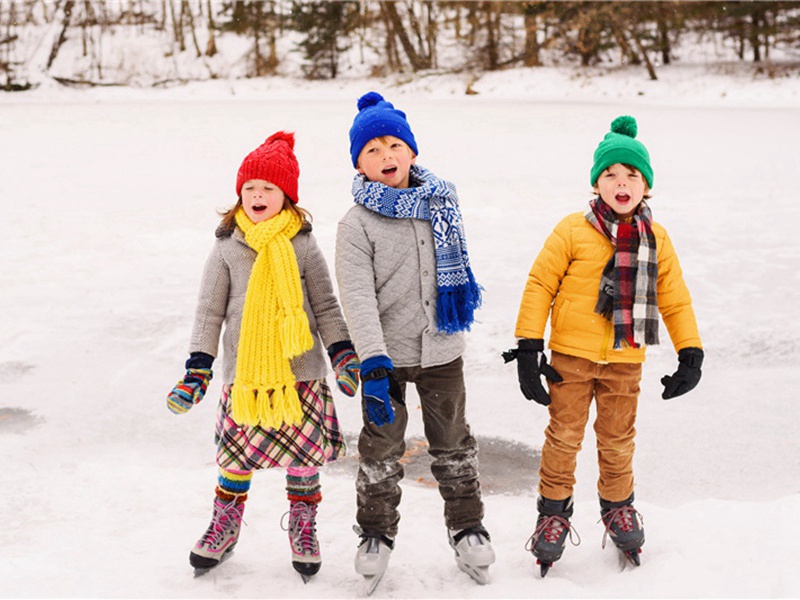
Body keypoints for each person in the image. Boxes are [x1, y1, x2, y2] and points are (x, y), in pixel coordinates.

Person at [505, 116, 703, 576]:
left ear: (646, 187)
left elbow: (674, 298)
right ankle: (553, 513)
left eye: (632, 175)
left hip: (625, 359)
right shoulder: (573, 230)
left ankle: (618, 506)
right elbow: (539, 285)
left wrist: (690, 352)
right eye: (611, 173)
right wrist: (529, 346)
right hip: (569, 360)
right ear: (596, 182)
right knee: (564, 437)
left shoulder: (657, 239)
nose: (622, 182)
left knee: (617, 440)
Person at [165, 131, 360, 581]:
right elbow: (209, 311)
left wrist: (343, 354)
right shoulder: (227, 247)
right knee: (236, 456)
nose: (257, 195)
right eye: (250, 188)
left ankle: (303, 522)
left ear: (287, 197)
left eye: (268, 188)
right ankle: (226, 523)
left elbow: (326, 305)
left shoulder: (304, 245)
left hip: (302, 371)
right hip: (246, 377)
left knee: (303, 457)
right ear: (239, 196)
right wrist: (198, 370)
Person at [335, 91, 495, 590]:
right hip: (385, 358)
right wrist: (374, 364)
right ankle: (376, 534)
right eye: (373, 150)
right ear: (360, 164)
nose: (386, 156)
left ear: (411, 152)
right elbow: (357, 297)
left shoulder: (440, 204)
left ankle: (468, 527)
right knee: (381, 448)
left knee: (453, 443)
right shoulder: (355, 225)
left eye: (394, 145)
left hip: (442, 350)